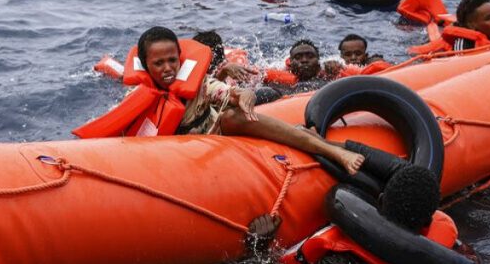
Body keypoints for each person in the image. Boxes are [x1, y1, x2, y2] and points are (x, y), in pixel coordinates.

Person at [82, 27, 365, 174]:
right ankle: (304, 135)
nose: (168, 68)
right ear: (146, 64)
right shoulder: (136, 97)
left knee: (232, 116)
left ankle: (332, 151)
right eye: (159, 63)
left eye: (172, 60)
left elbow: (224, 91)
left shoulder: (199, 82)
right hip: (171, 153)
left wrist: (245, 94)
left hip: (212, 136)